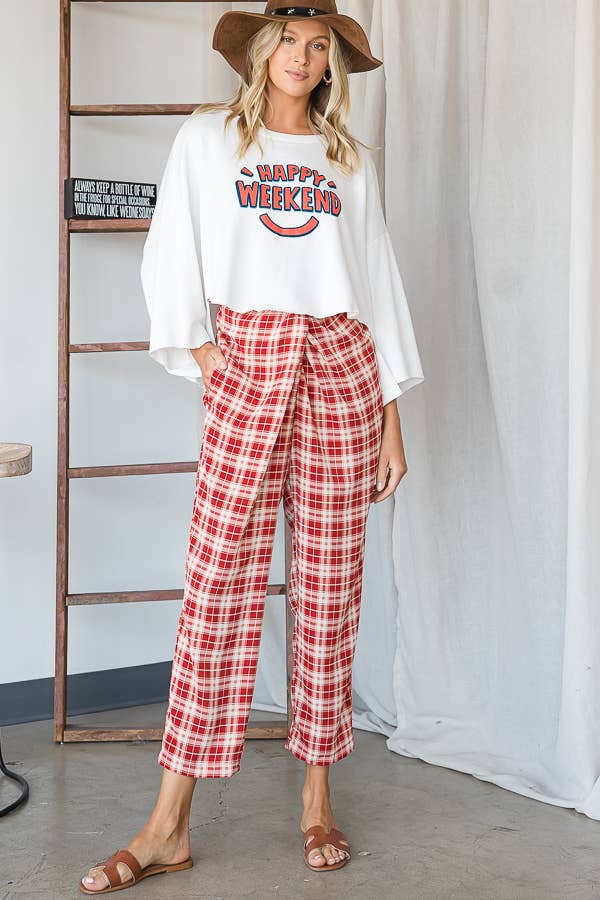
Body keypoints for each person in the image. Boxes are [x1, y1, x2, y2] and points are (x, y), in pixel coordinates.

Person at [79, 1, 424, 893]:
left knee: (331, 581)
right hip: (250, 354)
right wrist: (201, 350)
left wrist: (391, 414)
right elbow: (171, 249)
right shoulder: (208, 139)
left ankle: (316, 798)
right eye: (290, 41)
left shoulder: (347, 159)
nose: (302, 57)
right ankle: (169, 822)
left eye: (319, 46)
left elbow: (376, 283)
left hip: (342, 363)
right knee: (217, 576)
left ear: (332, 62)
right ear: (262, 49)